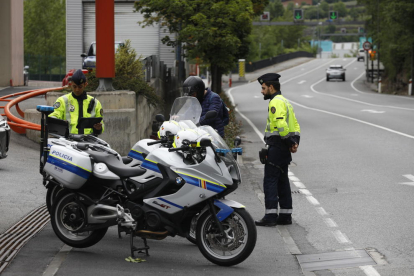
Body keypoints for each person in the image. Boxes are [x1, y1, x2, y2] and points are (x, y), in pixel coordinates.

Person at [255, 73, 300, 227]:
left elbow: (281, 124)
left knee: (270, 181)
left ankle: (270, 216)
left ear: (271, 87)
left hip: (277, 146)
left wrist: (288, 141)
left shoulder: (275, 102)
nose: (262, 91)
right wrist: (294, 142)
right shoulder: (286, 101)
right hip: (284, 147)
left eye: (263, 88)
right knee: (282, 181)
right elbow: (295, 124)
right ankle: (286, 216)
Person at [49, 69, 104, 135]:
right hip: (67, 140)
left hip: (88, 140)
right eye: (74, 86)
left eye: (80, 87)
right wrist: (60, 123)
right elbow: (53, 116)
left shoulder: (95, 103)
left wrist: (98, 128)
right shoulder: (62, 100)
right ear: (71, 84)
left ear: (85, 84)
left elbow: (101, 124)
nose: (77, 89)